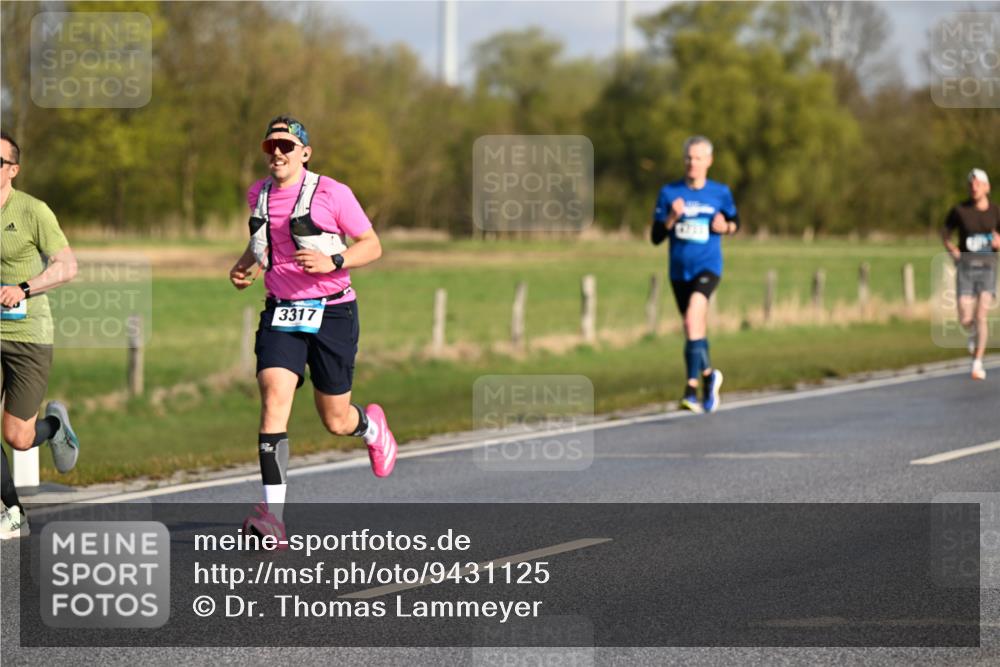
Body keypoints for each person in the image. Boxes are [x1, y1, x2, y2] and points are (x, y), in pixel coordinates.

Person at [229, 116, 397, 543]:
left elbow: (372, 245)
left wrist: (334, 262)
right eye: (271, 147)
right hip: (282, 312)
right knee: (273, 397)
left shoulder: (332, 193)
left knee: (335, 420)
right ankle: (273, 518)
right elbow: (263, 239)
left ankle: (371, 427)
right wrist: (245, 265)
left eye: (286, 146)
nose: (278, 153)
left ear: (305, 152)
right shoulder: (259, 195)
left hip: (333, 312)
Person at [0, 130, 80, 539]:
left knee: (18, 435)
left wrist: (24, 288)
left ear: (13, 170)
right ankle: (12, 512)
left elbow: (67, 266)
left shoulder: (33, 211)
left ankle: (54, 427)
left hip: (28, 331)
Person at [651, 136, 739, 413]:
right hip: (679, 271)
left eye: (698, 158)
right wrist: (671, 218)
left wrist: (725, 227)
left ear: (709, 161)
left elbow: (736, 222)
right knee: (694, 328)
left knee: (692, 319)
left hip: (708, 267)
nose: (693, 163)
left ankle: (690, 390)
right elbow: (655, 237)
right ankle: (708, 377)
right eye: (689, 157)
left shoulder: (720, 192)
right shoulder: (669, 193)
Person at [941, 168, 1000, 381]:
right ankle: (972, 330)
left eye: (978, 184)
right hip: (965, 268)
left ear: (986, 187)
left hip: (987, 268)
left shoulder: (995, 211)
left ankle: (977, 362)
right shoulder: (960, 210)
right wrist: (951, 249)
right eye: (971, 185)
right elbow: (945, 232)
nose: (974, 188)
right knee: (966, 317)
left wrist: (998, 242)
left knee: (981, 314)